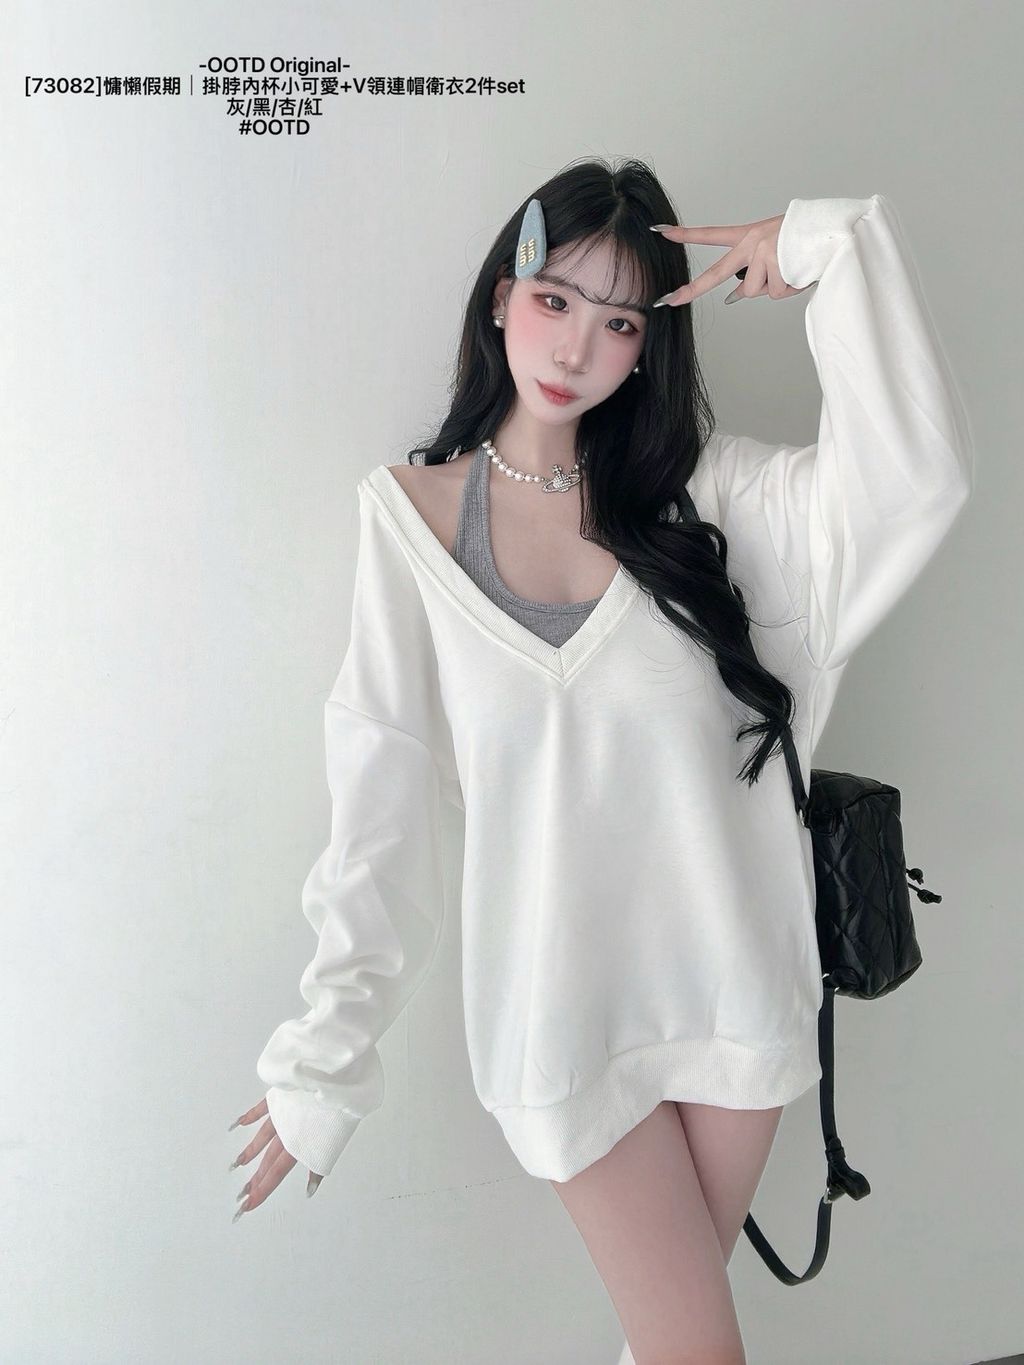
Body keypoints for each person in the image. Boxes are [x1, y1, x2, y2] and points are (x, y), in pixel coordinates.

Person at [227, 158, 974, 1363]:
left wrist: (830, 249)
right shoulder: (409, 522)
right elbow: (382, 805)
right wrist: (326, 1057)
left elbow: (916, 481)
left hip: (734, 1003)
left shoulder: (715, 501)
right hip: (561, 1022)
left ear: (649, 347)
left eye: (621, 321)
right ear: (500, 298)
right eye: (554, 299)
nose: (577, 345)